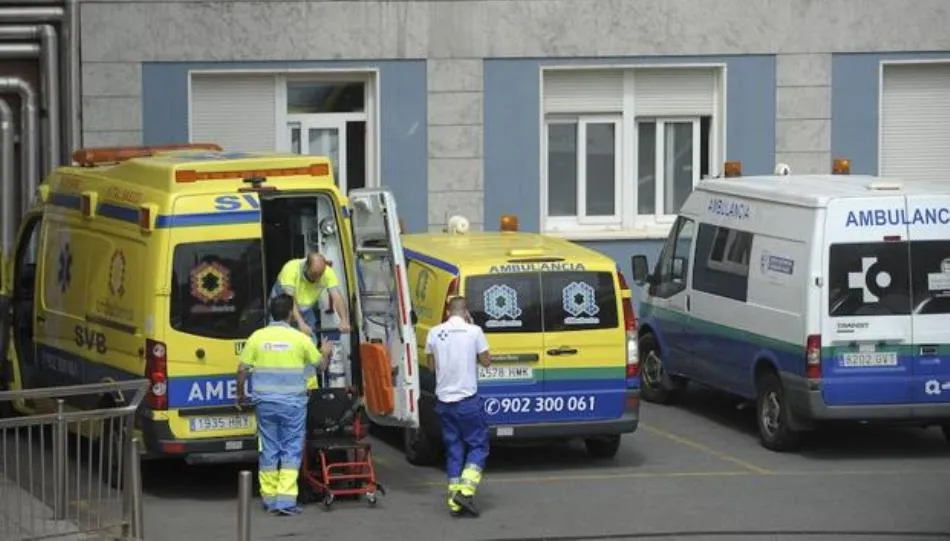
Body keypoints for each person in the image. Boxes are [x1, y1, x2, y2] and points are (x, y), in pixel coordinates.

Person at [236, 294, 333, 516]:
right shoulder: (300, 339)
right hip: (293, 405)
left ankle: (269, 498)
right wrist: (326, 353)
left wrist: (239, 395)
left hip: (265, 404)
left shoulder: (257, 337)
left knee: (269, 449)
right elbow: (319, 367)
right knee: (291, 450)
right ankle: (285, 501)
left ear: (271, 312)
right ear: (290, 313)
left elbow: (242, 370)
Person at [425, 296, 492, 517]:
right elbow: (486, 361)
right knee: (478, 446)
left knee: (454, 449)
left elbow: (432, 367)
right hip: (467, 401)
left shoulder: (434, 333)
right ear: (466, 312)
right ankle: (466, 490)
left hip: (444, 402)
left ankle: (454, 500)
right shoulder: (474, 331)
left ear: (447, 312)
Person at [270, 252, 351, 337]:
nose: (317, 278)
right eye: (314, 275)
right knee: (277, 337)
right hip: (282, 307)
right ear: (306, 266)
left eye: (320, 275)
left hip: (305, 309)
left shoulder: (327, 272)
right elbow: (290, 299)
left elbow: (337, 297)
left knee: (310, 338)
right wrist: (301, 323)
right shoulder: (291, 269)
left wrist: (344, 320)